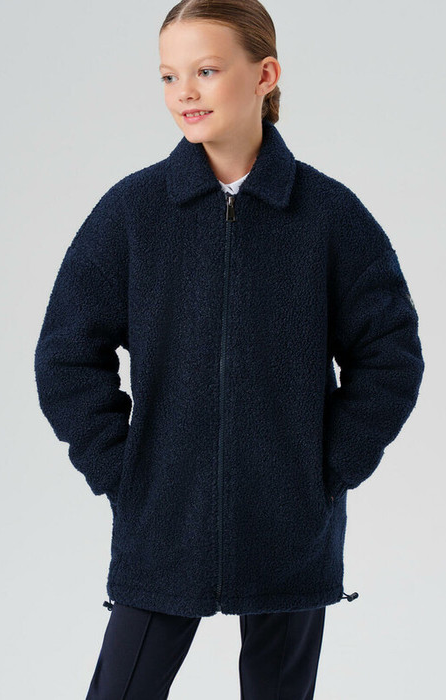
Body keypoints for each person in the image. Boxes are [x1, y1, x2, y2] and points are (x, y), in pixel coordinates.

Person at [33, 1, 425, 698]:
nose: (184, 92)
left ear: (264, 75)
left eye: (206, 71)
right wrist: (124, 471)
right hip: (163, 522)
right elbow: (67, 353)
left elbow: (389, 352)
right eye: (168, 76)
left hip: (290, 524)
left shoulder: (328, 215)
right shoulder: (133, 212)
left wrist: (330, 467)